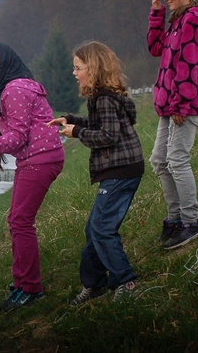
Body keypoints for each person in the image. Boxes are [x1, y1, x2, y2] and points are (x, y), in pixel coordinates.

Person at [0, 41, 65, 313]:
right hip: (34, 159)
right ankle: (21, 284)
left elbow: (18, 136)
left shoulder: (15, 89)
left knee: (21, 222)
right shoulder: (14, 86)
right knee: (16, 220)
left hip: (40, 160)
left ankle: (31, 288)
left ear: (6, 64)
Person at [48, 41, 144, 305]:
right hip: (122, 170)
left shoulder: (103, 98)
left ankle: (127, 281)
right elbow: (99, 124)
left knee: (101, 228)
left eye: (78, 68)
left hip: (120, 171)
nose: (74, 73)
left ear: (93, 68)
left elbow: (108, 135)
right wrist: (71, 120)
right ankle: (95, 284)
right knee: (94, 229)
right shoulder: (103, 97)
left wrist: (76, 133)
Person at [148, 0, 198, 250]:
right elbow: (155, 48)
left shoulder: (194, 20)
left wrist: (180, 104)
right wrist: (156, 13)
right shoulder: (176, 21)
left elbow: (189, 66)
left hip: (185, 104)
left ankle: (192, 221)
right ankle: (175, 219)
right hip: (170, 104)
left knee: (177, 159)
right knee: (159, 160)